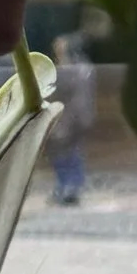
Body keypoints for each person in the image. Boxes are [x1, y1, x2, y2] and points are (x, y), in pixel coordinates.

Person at [48, 22, 97, 204]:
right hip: (70, 116)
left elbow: (72, 92)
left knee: (69, 152)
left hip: (70, 117)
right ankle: (66, 186)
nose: (57, 49)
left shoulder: (76, 68)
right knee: (63, 152)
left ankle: (70, 186)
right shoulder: (78, 67)